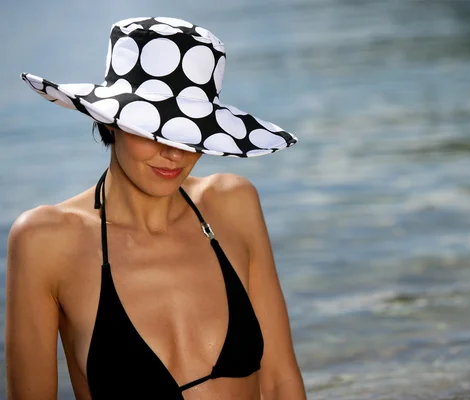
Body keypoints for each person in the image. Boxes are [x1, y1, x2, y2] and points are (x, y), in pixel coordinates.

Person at [6, 17, 306, 400]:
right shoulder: (45, 240)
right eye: (154, 127)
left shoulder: (233, 203)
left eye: (191, 131)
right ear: (110, 121)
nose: (175, 152)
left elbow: (281, 381)